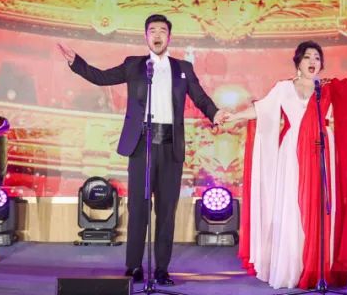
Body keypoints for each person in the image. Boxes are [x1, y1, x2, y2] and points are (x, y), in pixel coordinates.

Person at [58, 15, 230, 286]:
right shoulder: (134, 65)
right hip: (142, 145)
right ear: (146, 36)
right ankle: (134, 266)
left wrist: (215, 113)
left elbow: (200, 97)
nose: (157, 35)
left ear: (169, 37)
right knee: (138, 208)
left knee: (166, 210)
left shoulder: (183, 68)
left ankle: (161, 269)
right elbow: (102, 77)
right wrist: (76, 63)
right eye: (152, 30)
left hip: (170, 146)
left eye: (162, 30)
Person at [227, 42, 347, 289]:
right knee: (292, 205)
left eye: (317, 58)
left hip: (323, 151)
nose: (313, 61)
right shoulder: (283, 88)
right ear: (298, 62)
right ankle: (294, 268)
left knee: (322, 208)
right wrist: (234, 116)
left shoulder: (328, 87)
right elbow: (261, 110)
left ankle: (320, 268)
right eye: (308, 57)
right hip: (292, 152)